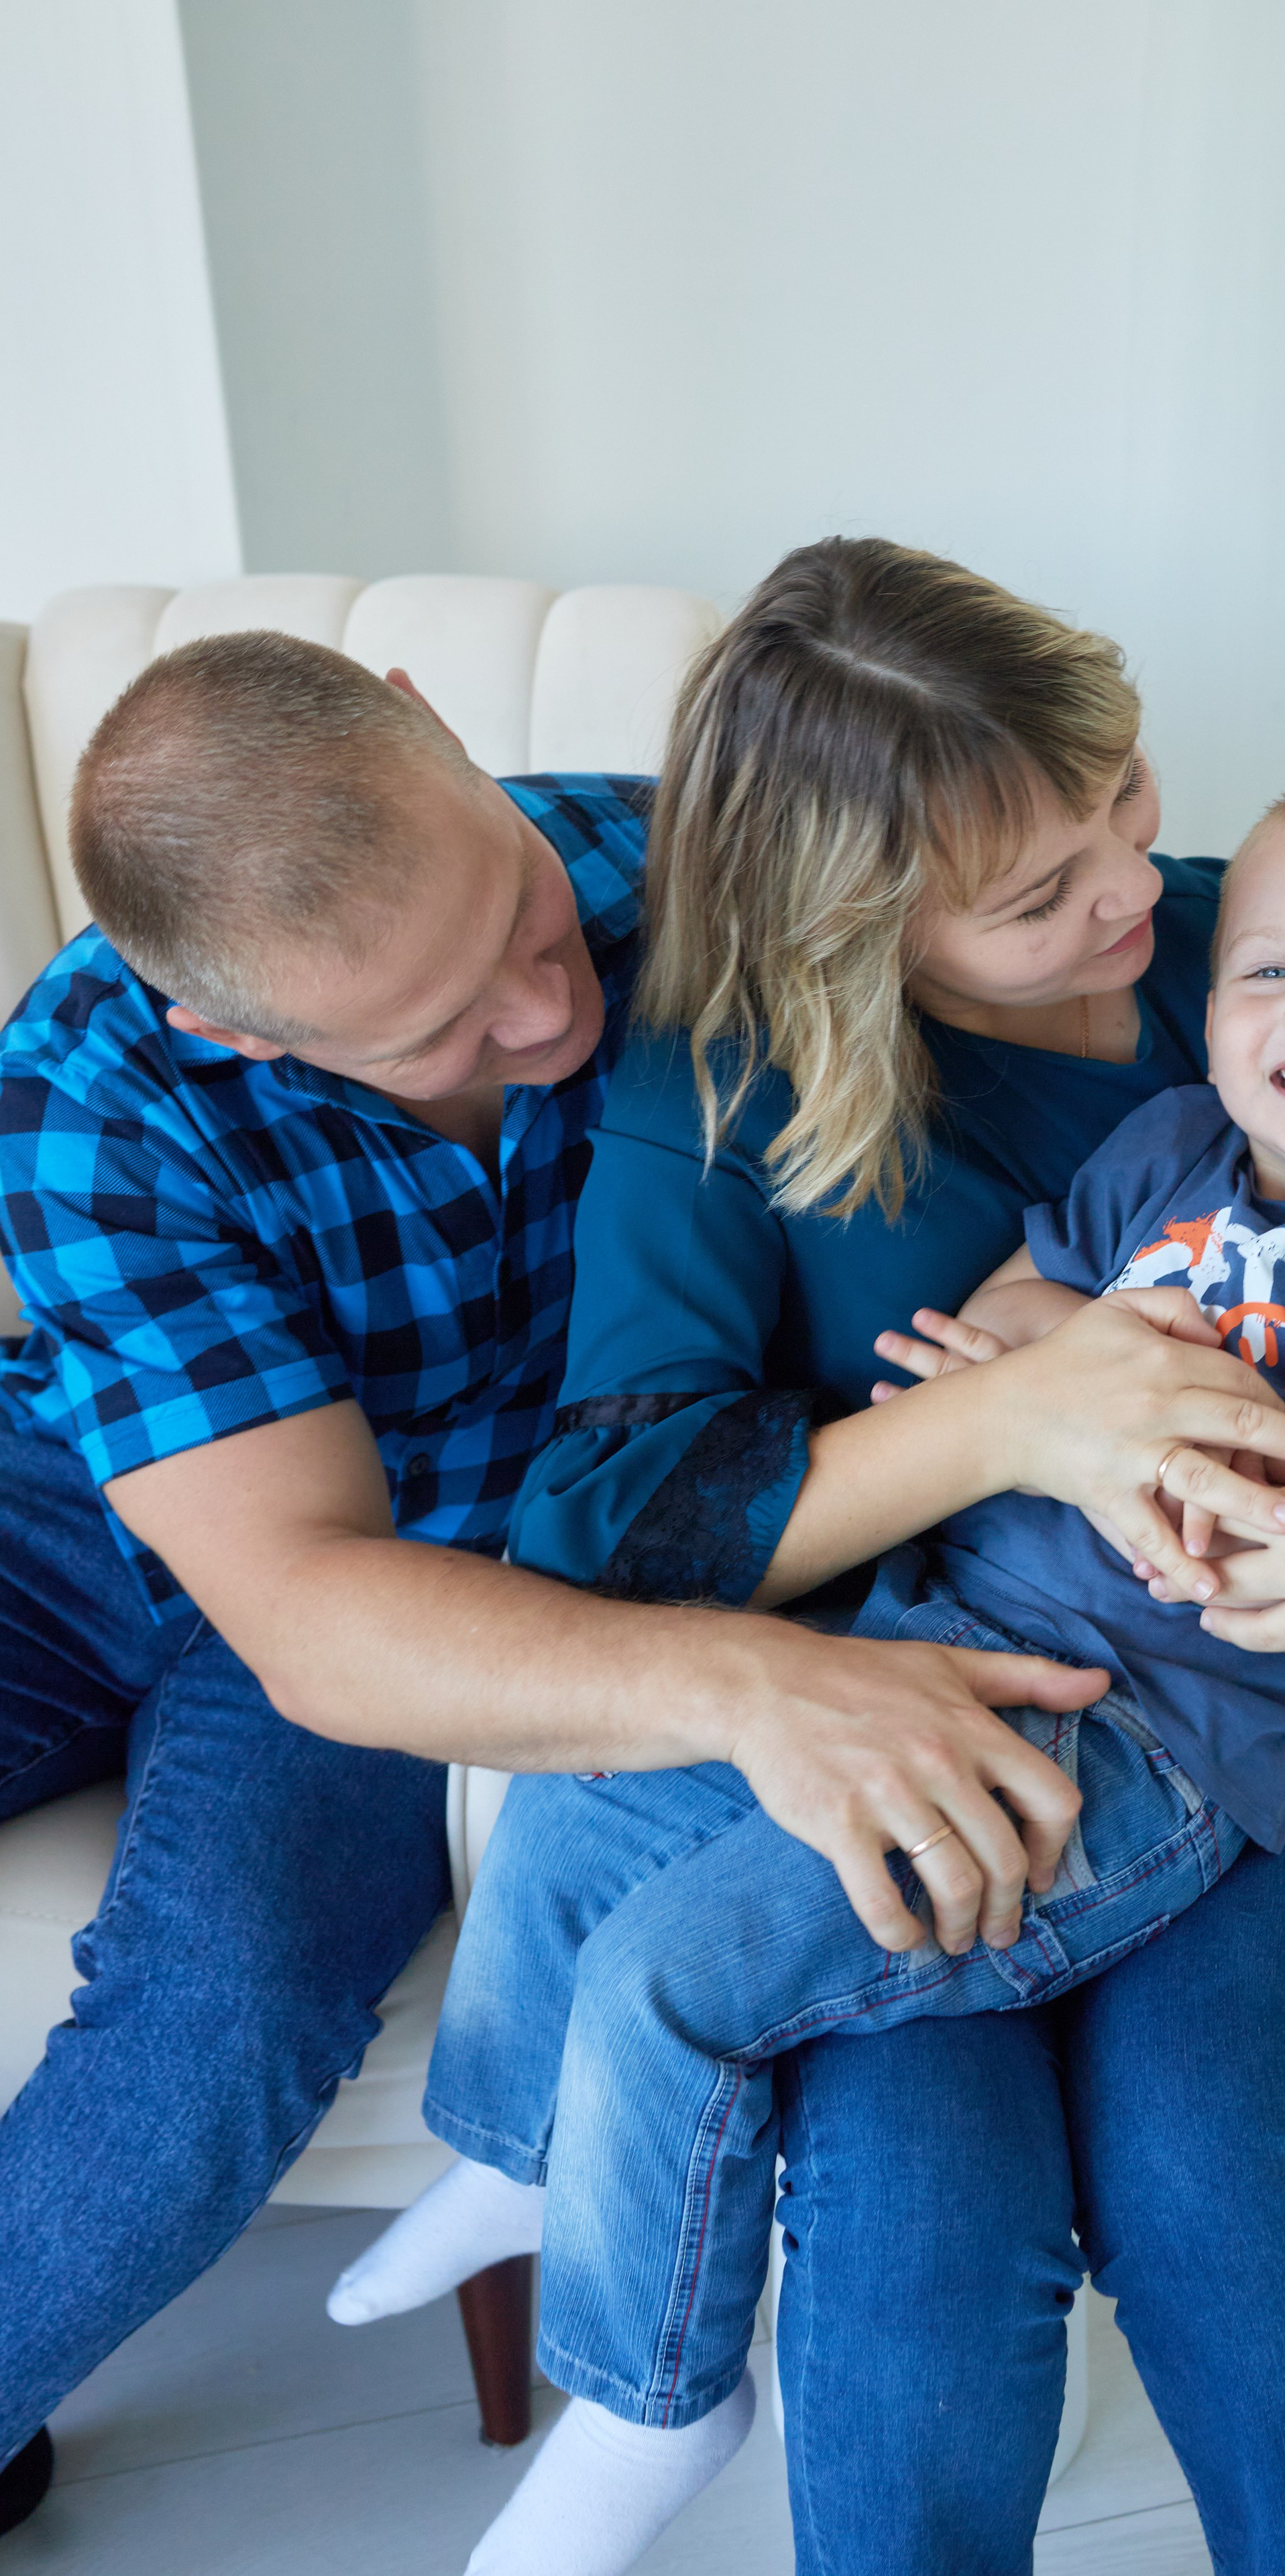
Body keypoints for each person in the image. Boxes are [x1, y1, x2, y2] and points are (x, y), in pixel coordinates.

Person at [341, 538, 1285, 2576]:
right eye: (1042, 893)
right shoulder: (719, 1089)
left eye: (1121, 792)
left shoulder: (1254, 957)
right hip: (909, 1686)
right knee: (914, 2221)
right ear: (854, 924)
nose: (1133, 887)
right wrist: (993, 1423)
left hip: (1220, 1703)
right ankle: (599, 2296)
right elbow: (615, 1523)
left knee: (1233, 2183)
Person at [0, 627, 1197, 2532]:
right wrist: (739, 1683)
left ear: (426, 710)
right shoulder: (92, 1086)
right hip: (107, 1509)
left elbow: (1060, 980)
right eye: (442, 1030)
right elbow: (293, 1585)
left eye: (532, 928)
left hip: (462, 1575)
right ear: (238, 1032)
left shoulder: (720, 880)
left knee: (221, 2003)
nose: (552, 1020)